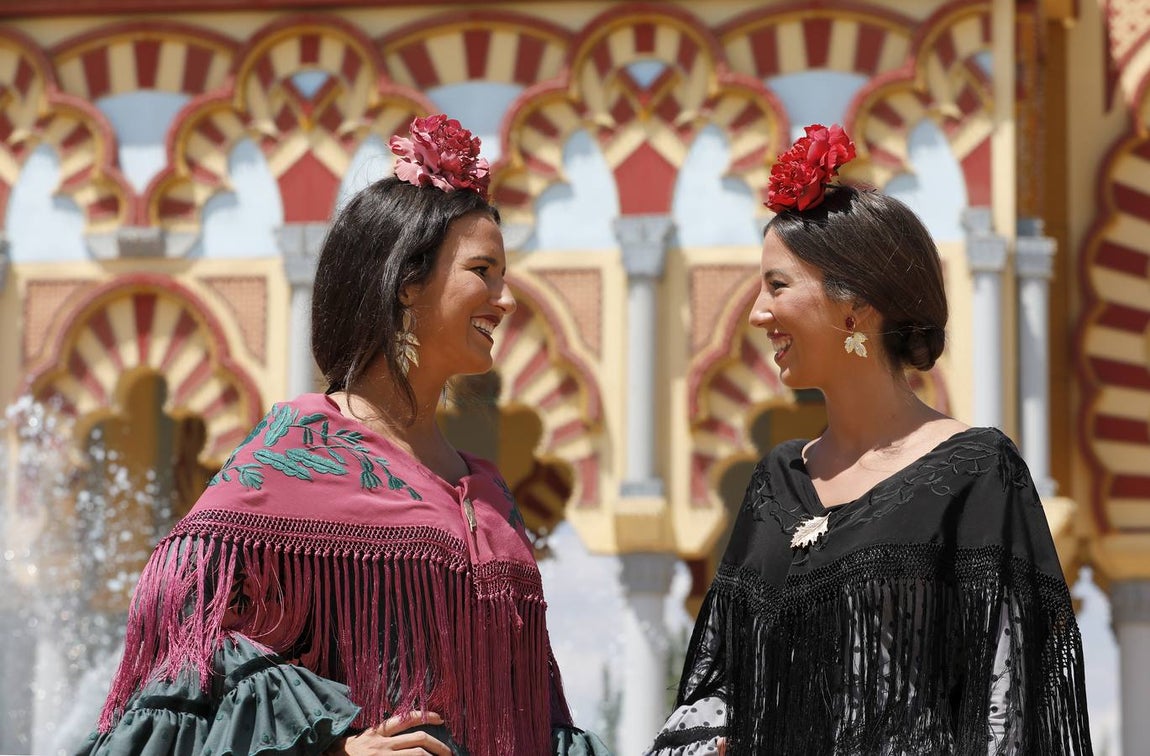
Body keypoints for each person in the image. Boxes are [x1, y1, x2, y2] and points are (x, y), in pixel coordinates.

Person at [79, 115, 610, 756]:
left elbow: (533, 712)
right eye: (483, 271)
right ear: (407, 283)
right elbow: (182, 639)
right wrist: (337, 749)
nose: (505, 299)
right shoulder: (295, 452)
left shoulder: (488, 488)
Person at [646, 125, 1092, 755]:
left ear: (854, 304)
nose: (756, 313)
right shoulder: (777, 484)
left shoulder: (975, 471)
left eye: (778, 285)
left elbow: (1007, 702)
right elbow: (718, 683)